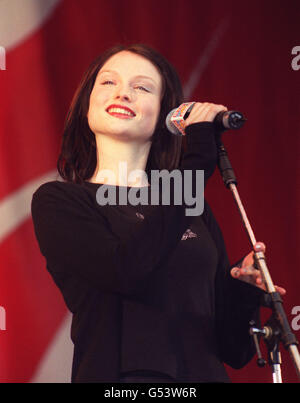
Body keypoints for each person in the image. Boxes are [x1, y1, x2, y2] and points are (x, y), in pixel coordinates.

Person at [31, 44, 285, 383]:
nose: (123, 93)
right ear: (86, 105)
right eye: (109, 83)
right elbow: (124, 270)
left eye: (142, 87)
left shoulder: (188, 205)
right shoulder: (60, 201)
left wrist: (243, 291)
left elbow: (233, 351)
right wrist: (195, 165)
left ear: (165, 114)